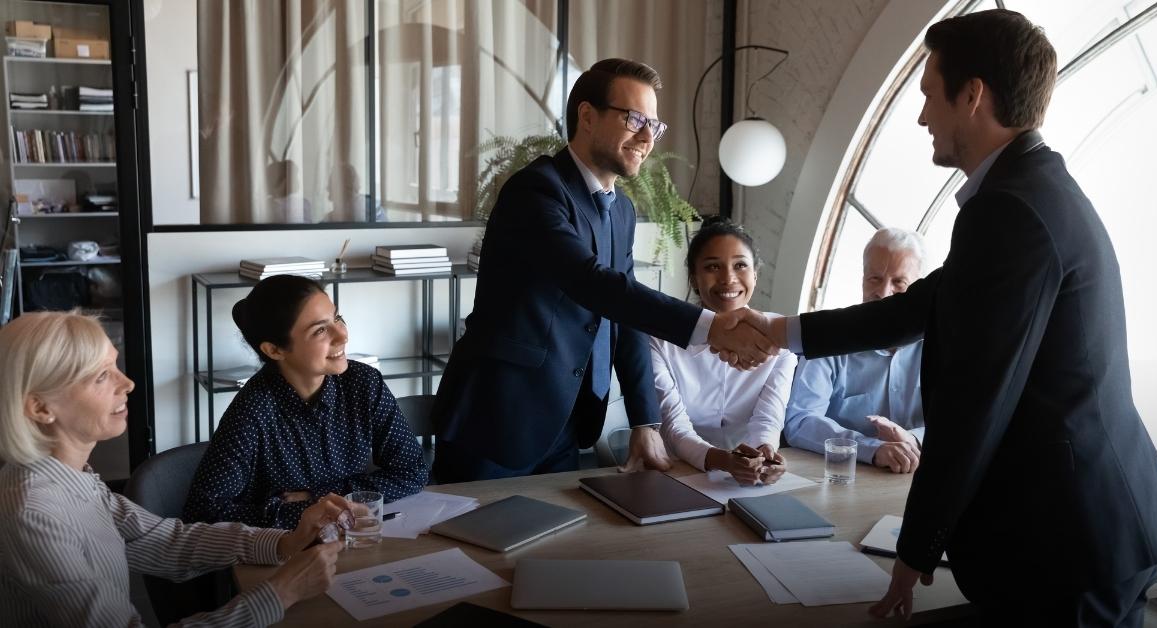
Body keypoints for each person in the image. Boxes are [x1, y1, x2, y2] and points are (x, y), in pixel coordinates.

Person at [747, 9, 1157, 625]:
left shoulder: (1011, 211)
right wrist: (782, 332)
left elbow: (974, 400)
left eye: (930, 94)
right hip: (1089, 522)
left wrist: (914, 548)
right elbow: (923, 305)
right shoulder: (1029, 191)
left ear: (972, 95)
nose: (924, 116)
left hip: (1071, 537)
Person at [430, 58, 774, 482]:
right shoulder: (536, 190)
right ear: (588, 117)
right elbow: (591, 282)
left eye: (654, 125)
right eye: (634, 120)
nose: (648, 137)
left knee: (550, 548)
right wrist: (712, 326)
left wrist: (644, 421)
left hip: (567, 424)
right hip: (497, 419)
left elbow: (623, 313)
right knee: (472, 545)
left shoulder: (621, 211)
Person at [0, 311, 345, 626]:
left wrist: (285, 542)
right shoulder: (34, 512)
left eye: (115, 365)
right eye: (102, 377)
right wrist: (281, 593)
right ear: (40, 408)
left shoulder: (69, 478)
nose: (128, 384)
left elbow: (167, 542)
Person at [184, 275, 428, 529]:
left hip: (352, 540)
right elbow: (202, 513)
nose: (342, 335)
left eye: (337, 318)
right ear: (275, 350)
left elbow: (412, 471)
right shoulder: (253, 410)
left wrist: (319, 496)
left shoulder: (363, 383)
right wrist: (304, 513)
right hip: (279, 553)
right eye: (320, 329)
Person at [651, 217, 796, 484]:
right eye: (712, 267)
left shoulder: (779, 339)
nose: (728, 278)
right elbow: (674, 427)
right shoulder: (660, 341)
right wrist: (721, 460)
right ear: (694, 278)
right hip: (674, 471)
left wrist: (766, 451)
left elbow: (769, 415)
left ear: (755, 274)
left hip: (748, 477)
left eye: (740, 265)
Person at [784, 228, 926, 474]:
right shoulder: (829, 337)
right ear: (862, 277)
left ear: (920, 289)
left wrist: (913, 439)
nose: (883, 293)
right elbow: (800, 421)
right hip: (842, 477)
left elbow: (962, 419)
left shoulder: (941, 344)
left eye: (899, 282)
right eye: (875, 279)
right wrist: (872, 449)